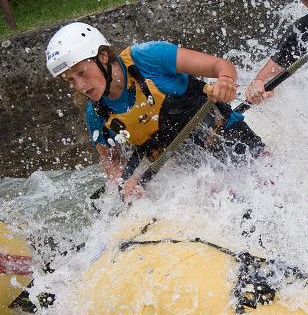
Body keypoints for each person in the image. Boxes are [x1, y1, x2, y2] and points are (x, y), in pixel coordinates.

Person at [45, 22, 264, 198]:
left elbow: (221, 65)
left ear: (102, 57)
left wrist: (225, 81)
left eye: (82, 73)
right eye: (71, 80)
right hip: (189, 172)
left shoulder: (148, 57)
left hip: (230, 140)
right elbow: (111, 162)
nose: (80, 86)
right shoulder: (97, 114)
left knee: (265, 185)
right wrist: (123, 184)